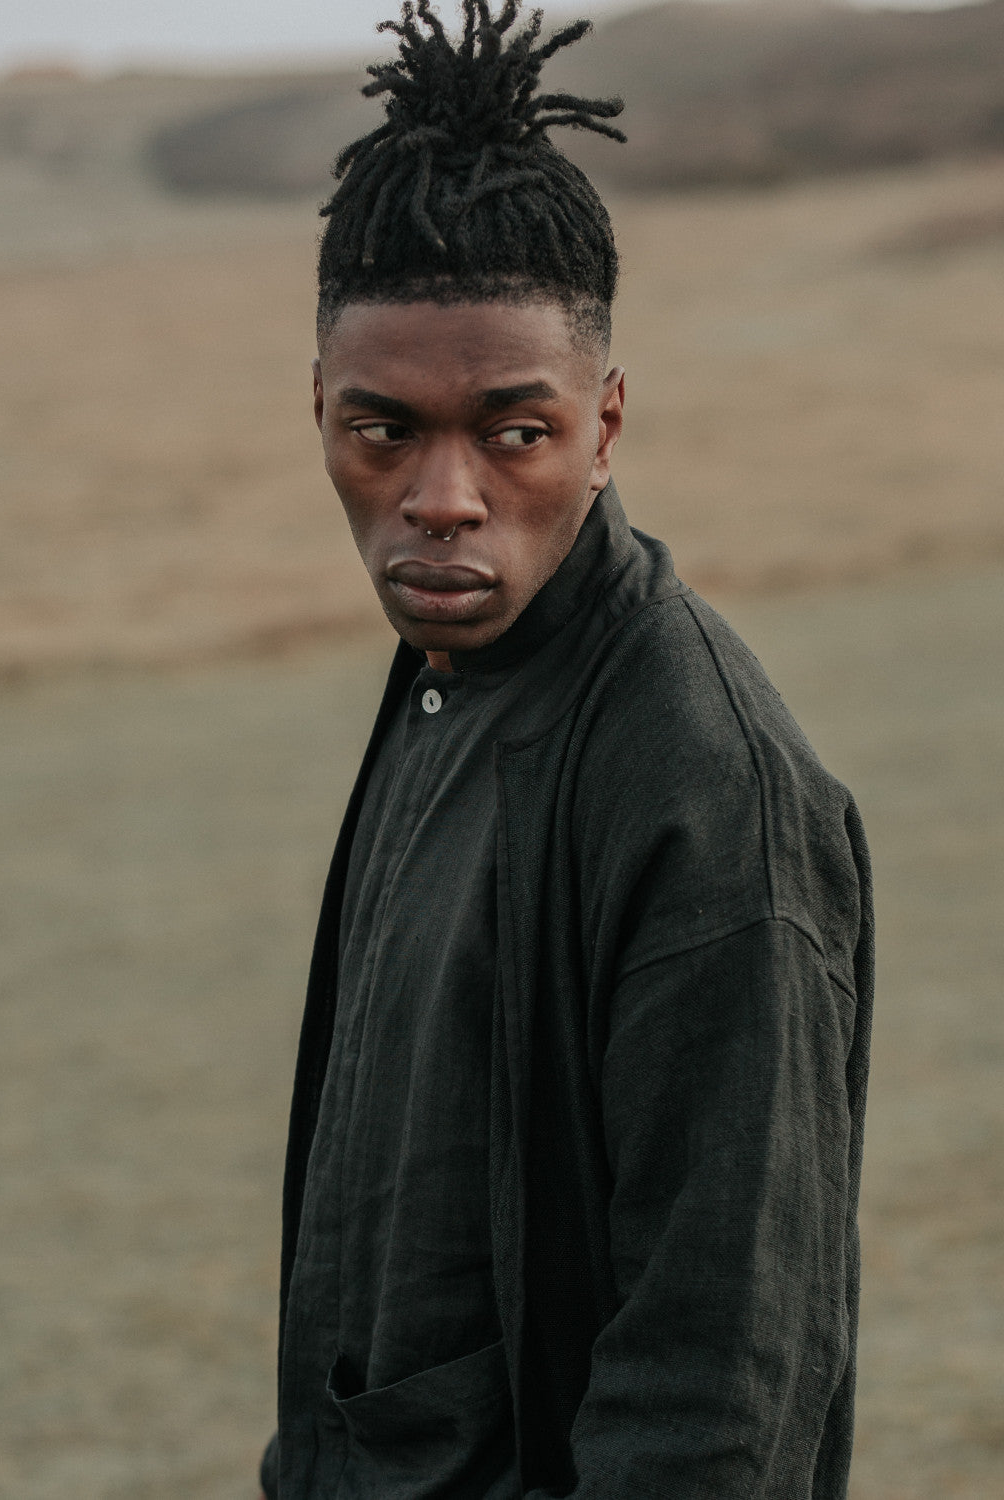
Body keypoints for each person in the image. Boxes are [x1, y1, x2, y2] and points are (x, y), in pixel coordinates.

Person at [261, 4, 874, 1497]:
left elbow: (720, 1384)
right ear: (323, 420)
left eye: (512, 432)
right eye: (383, 432)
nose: (441, 496)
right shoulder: (449, 677)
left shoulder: (706, 787)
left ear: (603, 426)